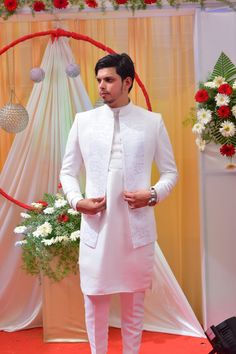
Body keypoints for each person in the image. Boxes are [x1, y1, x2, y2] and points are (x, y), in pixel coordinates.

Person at [60, 53, 178, 354]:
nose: (102, 86)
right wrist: (77, 202)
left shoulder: (152, 122)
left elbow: (170, 172)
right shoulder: (83, 121)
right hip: (97, 228)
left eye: (109, 80)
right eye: (99, 80)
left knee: (134, 303)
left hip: (135, 229)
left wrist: (152, 194)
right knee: (95, 299)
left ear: (128, 82)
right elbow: (68, 171)